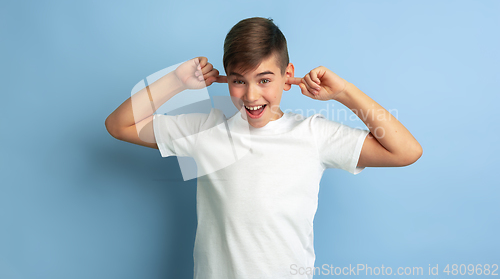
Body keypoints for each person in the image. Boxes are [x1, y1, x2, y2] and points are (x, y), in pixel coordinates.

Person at [105, 17, 422, 279]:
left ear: (288, 77)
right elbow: (119, 125)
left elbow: (406, 151)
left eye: (265, 80)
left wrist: (345, 93)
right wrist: (176, 81)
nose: (252, 95)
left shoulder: (313, 134)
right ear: (227, 80)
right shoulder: (205, 129)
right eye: (239, 81)